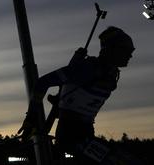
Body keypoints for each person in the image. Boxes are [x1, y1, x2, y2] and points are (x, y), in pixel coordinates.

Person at [19, 27, 142, 164]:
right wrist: (31, 115)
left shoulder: (111, 74)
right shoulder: (88, 68)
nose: (130, 56)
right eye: (126, 51)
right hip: (72, 136)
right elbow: (43, 82)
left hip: (85, 133)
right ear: (111, 49)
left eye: (131, 52)